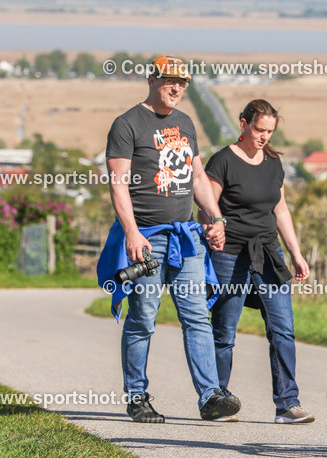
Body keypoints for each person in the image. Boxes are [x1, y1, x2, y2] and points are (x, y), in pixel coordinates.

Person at [97, 54, 240, 423]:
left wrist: (216, 217)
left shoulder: (186, 123)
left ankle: (210, 396)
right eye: (169, 81)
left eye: (183, 83)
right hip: (147, 238)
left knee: (196, 316)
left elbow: (196, 179)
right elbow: (119, 184)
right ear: (152, 80)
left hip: (186, 237)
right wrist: (131, 232)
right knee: (144, 316)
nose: (176, 88)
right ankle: (137, 396)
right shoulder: (127, 124)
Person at [203, 99, 315, 424]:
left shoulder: (272, 163)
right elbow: (208, 205)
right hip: (230, 253)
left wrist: (296, 253)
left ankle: (287, 405)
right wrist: (213, 229)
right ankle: (217, 399)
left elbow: (280, 211)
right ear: (243, 124)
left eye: (270, 131)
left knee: (283, 328)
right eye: (259, 129)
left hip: (268, 253)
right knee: (224, 330)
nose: (264, 136)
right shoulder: (222, 160)